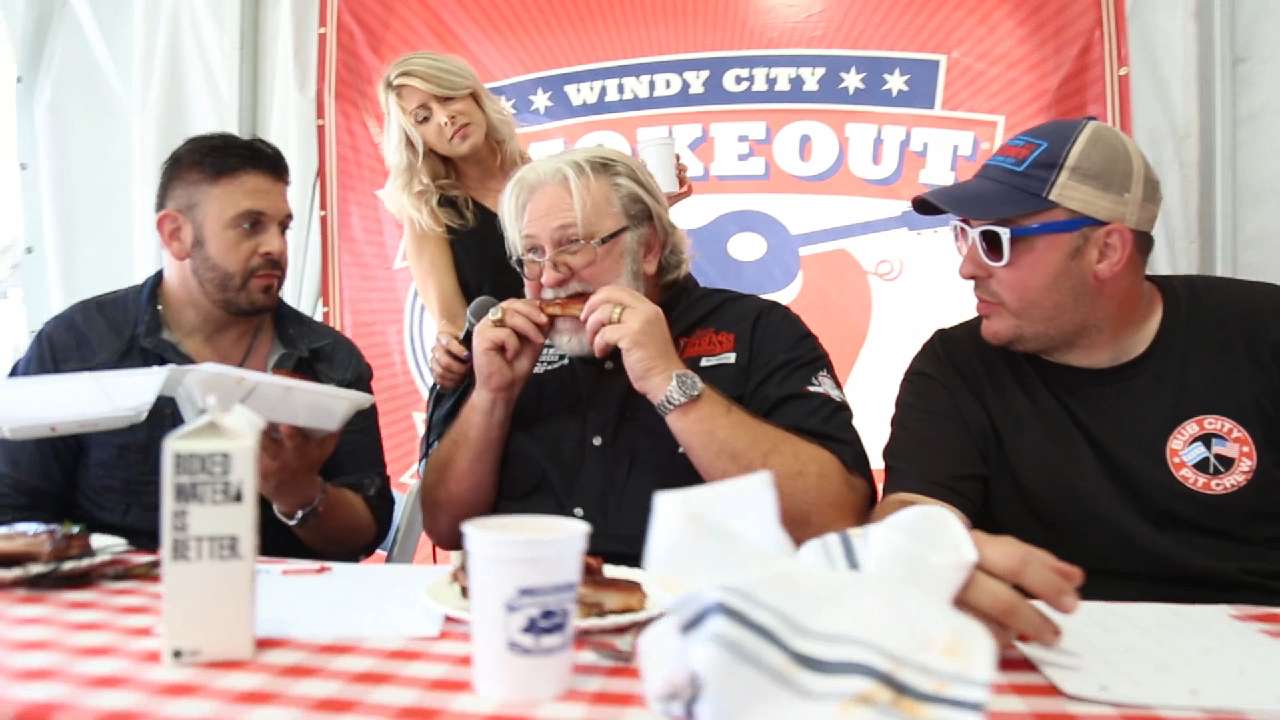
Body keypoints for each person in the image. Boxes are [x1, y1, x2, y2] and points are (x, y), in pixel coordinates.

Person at [879, 116, 1280, 605]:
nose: (968, 267)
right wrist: (917, 548)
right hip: (1050, 641)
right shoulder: (957, 365)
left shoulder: (1260, 334)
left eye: (996, 242)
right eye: (966, 235)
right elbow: (915, 510)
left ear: (1106, 250)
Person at [419, 147, 874, 565]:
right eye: (532, 254)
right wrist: (493, 397)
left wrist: (667, 379)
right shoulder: (507, 345)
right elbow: (444, 527)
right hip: (530, 615)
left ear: (650, 246)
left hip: (705, 628)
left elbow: (834, 520)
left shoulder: (757, 329)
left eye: (574, 244)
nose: (551, 276)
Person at [0, 133, 394, 560]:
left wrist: (299, 493)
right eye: (250, 225)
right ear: (175, 234)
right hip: (108, 605)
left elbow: (364, 533)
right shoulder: (78, 344)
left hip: (279, 614)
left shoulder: (328, 360)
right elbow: (13, 507)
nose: (275, 247)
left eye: (283, 227)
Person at [377, 52, 690, 391]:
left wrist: (651, 205)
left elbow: (611, 255)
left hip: (608, 348)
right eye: (423, 117)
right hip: (526, 380)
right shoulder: (429, 215)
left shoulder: (547, 174)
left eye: (447, 97)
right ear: (414, 139)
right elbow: (453, 326)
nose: (445, 117)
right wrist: (451, 357)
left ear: (472, 94)